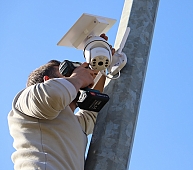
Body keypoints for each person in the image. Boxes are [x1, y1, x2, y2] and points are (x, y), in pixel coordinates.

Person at [8, 34, 114, 170]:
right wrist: (78, 78)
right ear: (47, 80)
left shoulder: (74, 123)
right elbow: (53, 95)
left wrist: (100, 64)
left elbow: (92, 113)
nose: (75, 75)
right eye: (67, 73)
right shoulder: (25, 101)